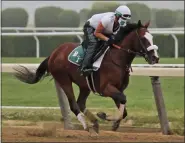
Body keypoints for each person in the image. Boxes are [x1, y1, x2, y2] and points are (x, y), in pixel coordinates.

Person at [80, 5, 131, 76]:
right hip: (91, 28)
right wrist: (108, 39)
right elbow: (97, 33)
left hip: (104, 30)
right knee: (94, 43)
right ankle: (84, 67)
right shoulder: (107, 19)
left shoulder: (122, 23)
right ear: (117, 16)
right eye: (122, 18)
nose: (124, 20)